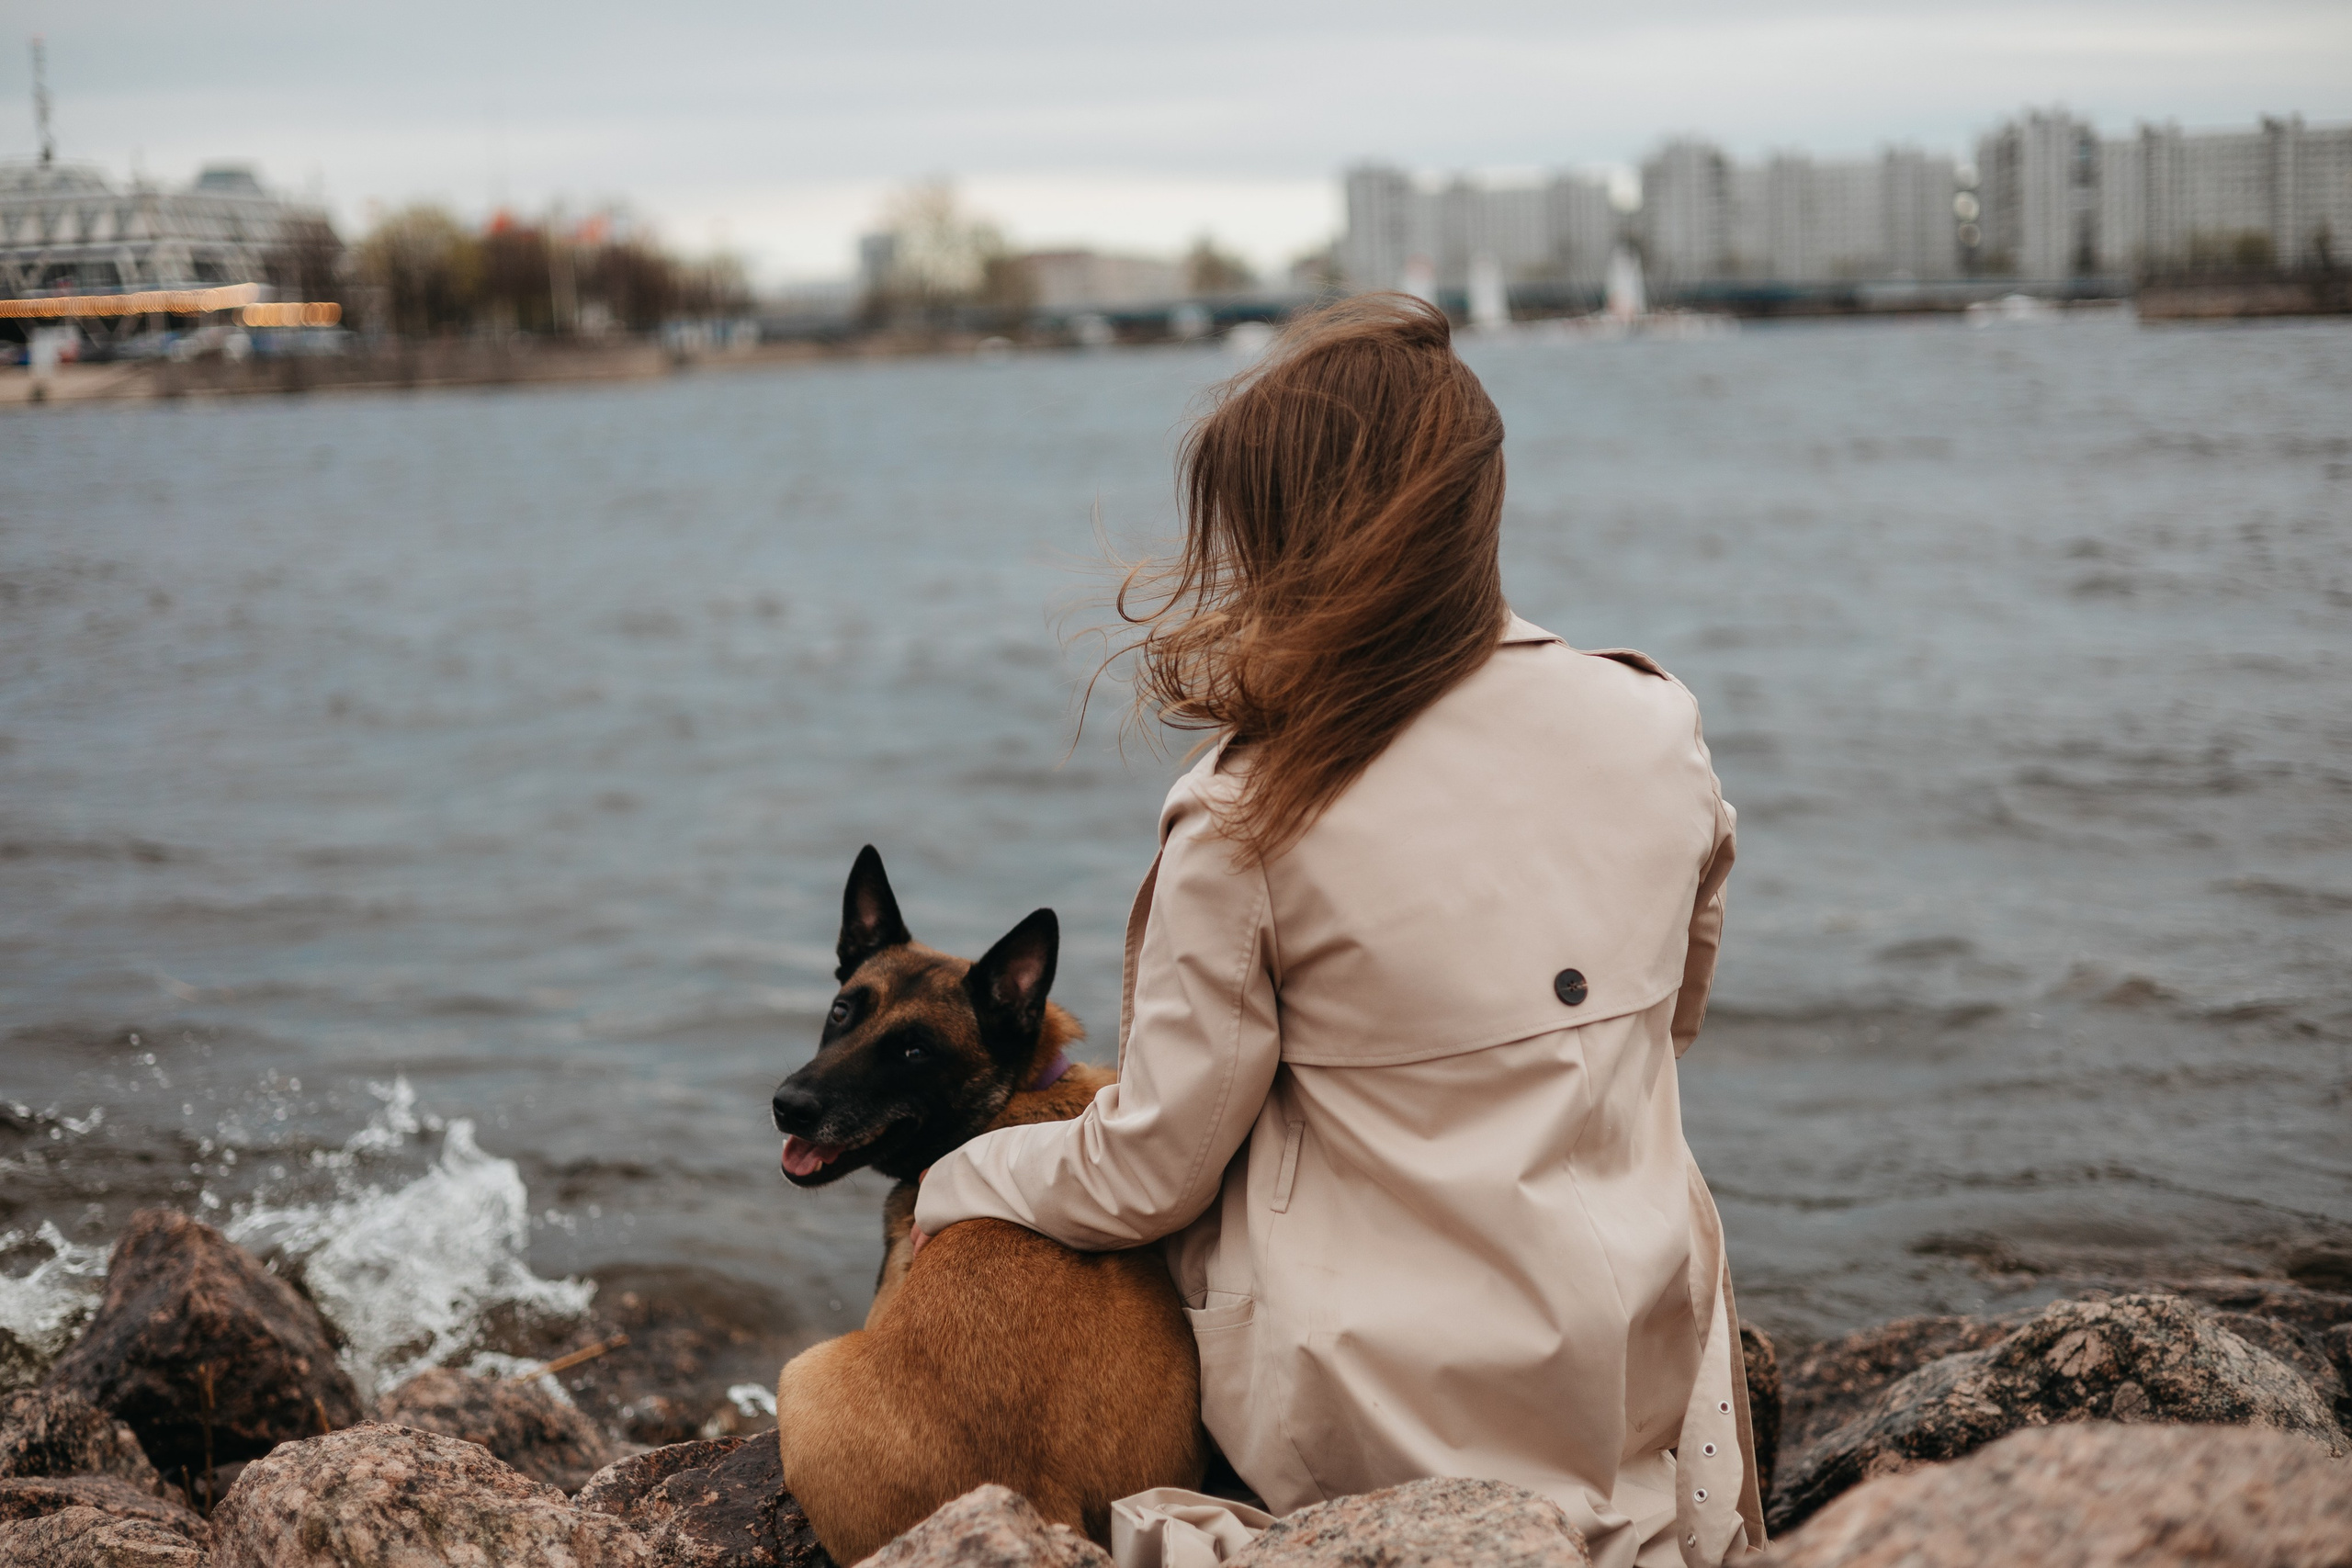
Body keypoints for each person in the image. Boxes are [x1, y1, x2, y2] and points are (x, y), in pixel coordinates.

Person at [912, 294, 1762, 1568]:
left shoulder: (1250, 811)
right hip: (1638, 1356)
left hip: (1378, 1407)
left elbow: (1151, 1175)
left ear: (1281, 537)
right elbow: (1668, 1031)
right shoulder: (1653, 721)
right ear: (1476, 503)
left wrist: (958, 1173)